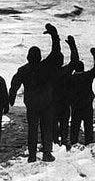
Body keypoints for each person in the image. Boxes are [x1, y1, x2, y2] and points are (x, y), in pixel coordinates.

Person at [9, 23, 63, 163]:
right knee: (47, 129)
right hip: (46, 103)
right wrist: (54, 35)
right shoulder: (46, 66)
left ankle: (32, 156)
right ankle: (46, 154)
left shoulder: (23, 70)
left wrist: (11, 97)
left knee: (32, 130)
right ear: (39, 56)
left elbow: (14, 83)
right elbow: (56, 51)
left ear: (28, 57)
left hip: (32, 104)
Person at [68, 42, 95, 146]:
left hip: (75, 105)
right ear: (83, 68)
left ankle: (73, 142)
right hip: (87, 104)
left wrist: (72, 46)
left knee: (74, 124)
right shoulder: (87, 76)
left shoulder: (71, 78)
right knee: (88, 125)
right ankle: (88, 142)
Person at [53, 35, 80, 149]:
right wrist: (72, 46)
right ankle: (63, 142)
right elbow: (75, 61)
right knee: (64, 125)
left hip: (53, 102)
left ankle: (54, 143)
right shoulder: (66, 71)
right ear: (62, 62)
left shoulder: (49, 73)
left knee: (53, 125)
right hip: (64, 102)